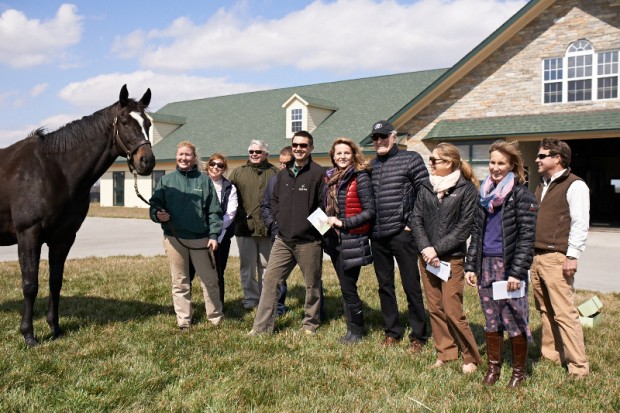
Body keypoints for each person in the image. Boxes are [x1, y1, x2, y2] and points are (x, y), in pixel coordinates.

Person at [464, 140, 537, 388]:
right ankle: (493, 369)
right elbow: (476, 233)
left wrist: (517, 271)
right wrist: (470, 266)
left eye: (501, 163)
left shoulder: (521, 195)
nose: (495, 167)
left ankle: (518, 373)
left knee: (514, 318)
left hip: (508, 268)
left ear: (512, 165)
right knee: (491, 319)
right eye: (493, 162)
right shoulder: (483, 195)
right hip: (485, 265)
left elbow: (527, 238)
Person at [412, 143, 481, 373]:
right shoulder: (425, 187)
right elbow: (416, 219)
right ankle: (446, 352)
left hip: (451, 259)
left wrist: (436, 249)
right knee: (435, 308)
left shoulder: (467, 190)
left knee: (452, 309)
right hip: (427, 258)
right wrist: (425, 248)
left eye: (434, 160)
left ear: (449, 162)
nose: (430, 164)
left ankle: (471, 357)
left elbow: (464, 229)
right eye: (430, 160)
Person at [250, 131, 325, 335]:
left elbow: (324, 206)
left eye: (303, 145)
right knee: (270, 281)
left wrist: (313, 230)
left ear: (310, 148)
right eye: (295, 145)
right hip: (282, 240)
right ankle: (262, 327)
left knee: (312, 284)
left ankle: (310, 324)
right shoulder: (282, 175)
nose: (299, 149)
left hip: (308, 241)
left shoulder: (318, 174)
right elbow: (273, 201)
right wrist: (278, 221)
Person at [530, 138, 590, 378]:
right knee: (545, 309)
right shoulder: (540, 185)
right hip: (538, 256)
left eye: (542, 155)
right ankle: (552, 356)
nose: (537, 159)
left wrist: (572, 255)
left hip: (557, 257)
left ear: (558, 158)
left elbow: (580, 223)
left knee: (565, 313)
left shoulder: (575, 185)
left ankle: (578, 368)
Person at [149, 141, 224, 330]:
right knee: (180, 281)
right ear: (176, 156)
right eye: (180, 154)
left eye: (188, 155)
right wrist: (158, 215)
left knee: (210, 280)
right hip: (174, 239)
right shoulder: (166, 181)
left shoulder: (204, 180)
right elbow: (155, 205)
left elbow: (214, 211)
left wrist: (214, 235)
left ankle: (215, 317)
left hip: (201, 239)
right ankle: (184, 320)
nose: (184, 158)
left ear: (194, 158)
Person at [368, 120, 428, 352]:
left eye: (384, 136)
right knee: (385, 286)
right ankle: (392, 331)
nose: (379, 141)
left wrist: (411, 224)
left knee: (410, 284)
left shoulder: (411, 159)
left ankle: (419, 335)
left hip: (402, 234)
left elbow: (424, 192)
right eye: (375, 137)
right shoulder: (371, 165)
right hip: (378, 234)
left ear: (394, 137)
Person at [323, 137, 375, 344]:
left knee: (348, 286)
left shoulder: (359, 177)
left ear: (353, 154)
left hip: (352, 239)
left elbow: (370, 211)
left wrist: (343, 223)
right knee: (345, 286)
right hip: (335, 240)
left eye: (346, 153)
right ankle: (351, 329)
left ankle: (356, 331)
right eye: (338, 153)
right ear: (333, 157)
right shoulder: (332, 178)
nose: (342, 156)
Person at [228, 140, 278, 309]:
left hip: (267, 228)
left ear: (266, 154)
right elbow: (226, 198)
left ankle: (266, 299)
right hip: (244, 229)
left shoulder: (275, 173)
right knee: (247, 267)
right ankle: (250, 299)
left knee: (266, 266)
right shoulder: (238, 173)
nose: (254, 154)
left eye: (258, 151)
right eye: (251, 152)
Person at [261, 146, 293, 316]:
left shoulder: (309, 179)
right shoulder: (274, 181)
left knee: (312, 278)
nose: (282, 167)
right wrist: (272, 223)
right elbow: (265, 205)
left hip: (305, 237)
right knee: (276, 275)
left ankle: (317, 313)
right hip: (278, 234)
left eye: (286, 164)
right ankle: (278, 309)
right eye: (280, 163)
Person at [204, 153, 238, 304]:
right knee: (191, 272)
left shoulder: (230, 188)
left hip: (221, 237)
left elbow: (230, 214)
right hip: (198, 236)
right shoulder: (199, 183)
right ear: (208, 165)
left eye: (220, 165)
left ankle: (218, 306)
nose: (215, 167)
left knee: (218, 273)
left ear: (224, 169)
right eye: (212, 164)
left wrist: (214, 230)